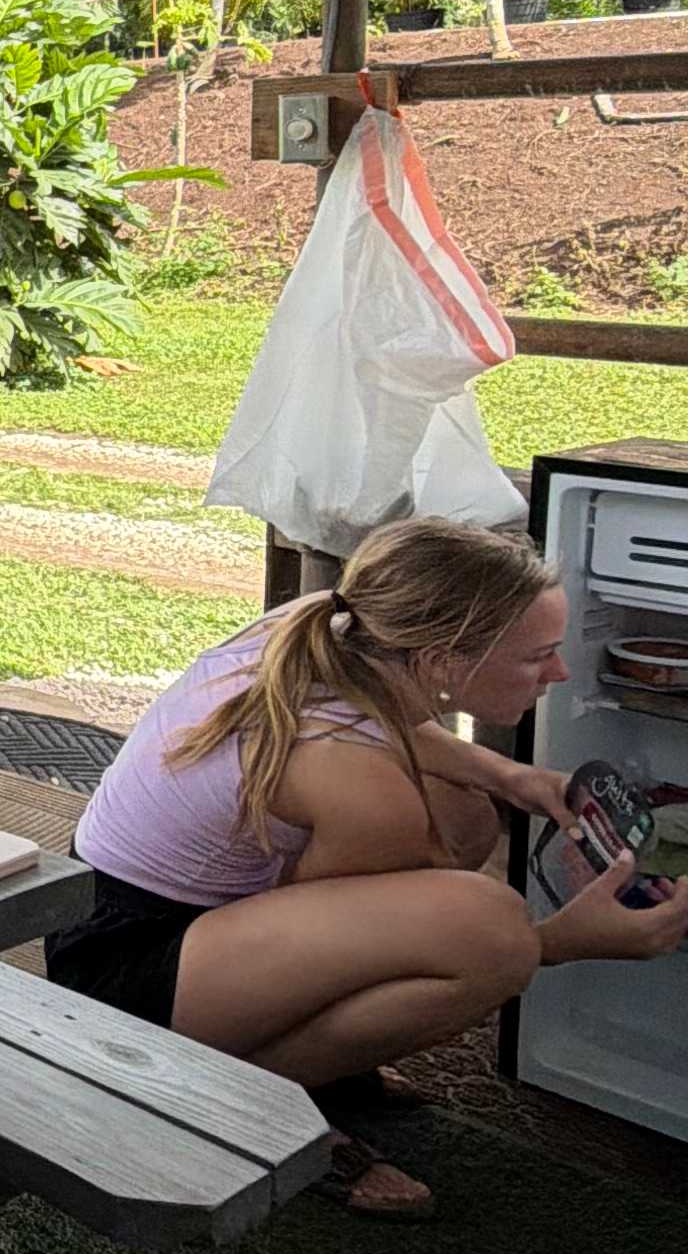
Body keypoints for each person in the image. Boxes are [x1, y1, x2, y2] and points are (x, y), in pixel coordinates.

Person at [50, 515, 688, 1215]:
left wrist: (515, 779)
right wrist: (564, 940)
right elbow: (371, 938)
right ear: (444, 662)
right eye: (538, 656)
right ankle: (222, 1097)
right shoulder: (358, 785)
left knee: (465, 814)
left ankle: (314, 1065)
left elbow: (391, 726)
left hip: (105, 908)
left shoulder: (334, 622)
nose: (559, 671)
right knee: (493, 934)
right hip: (123, 973)